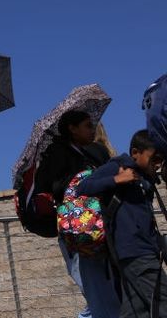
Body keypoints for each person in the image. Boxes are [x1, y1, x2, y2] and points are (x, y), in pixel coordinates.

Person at [35, 110, 120, 318]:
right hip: (79, 232)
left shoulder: (91, 152)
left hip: (98, 229)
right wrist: (85, 178)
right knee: (95, 290)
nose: (92, 130)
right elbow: (56, 187)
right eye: (87, 125)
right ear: (72, 129)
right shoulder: (57, 153)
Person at [77, 130, 167, 317]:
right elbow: (83, 188)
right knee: (162, 301)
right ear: (136, 152)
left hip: (143, 250)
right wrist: (117, 179)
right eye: (154, 158)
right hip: (134, 250)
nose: (157, 164)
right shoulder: (118, 166)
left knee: (136, 309)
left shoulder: (145, 177)